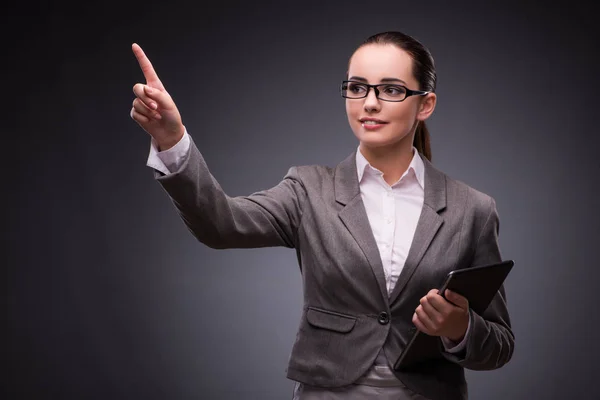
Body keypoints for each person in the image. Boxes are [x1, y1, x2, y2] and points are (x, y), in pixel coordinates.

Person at [130, 31, 514, 400]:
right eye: (357, 87)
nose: (370, 103)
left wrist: (460, 329)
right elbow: (220, 225)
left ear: (425, 104)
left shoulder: (473, 210)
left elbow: (500, 344)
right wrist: (173, 140)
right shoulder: (308, 189)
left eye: (391, 89)